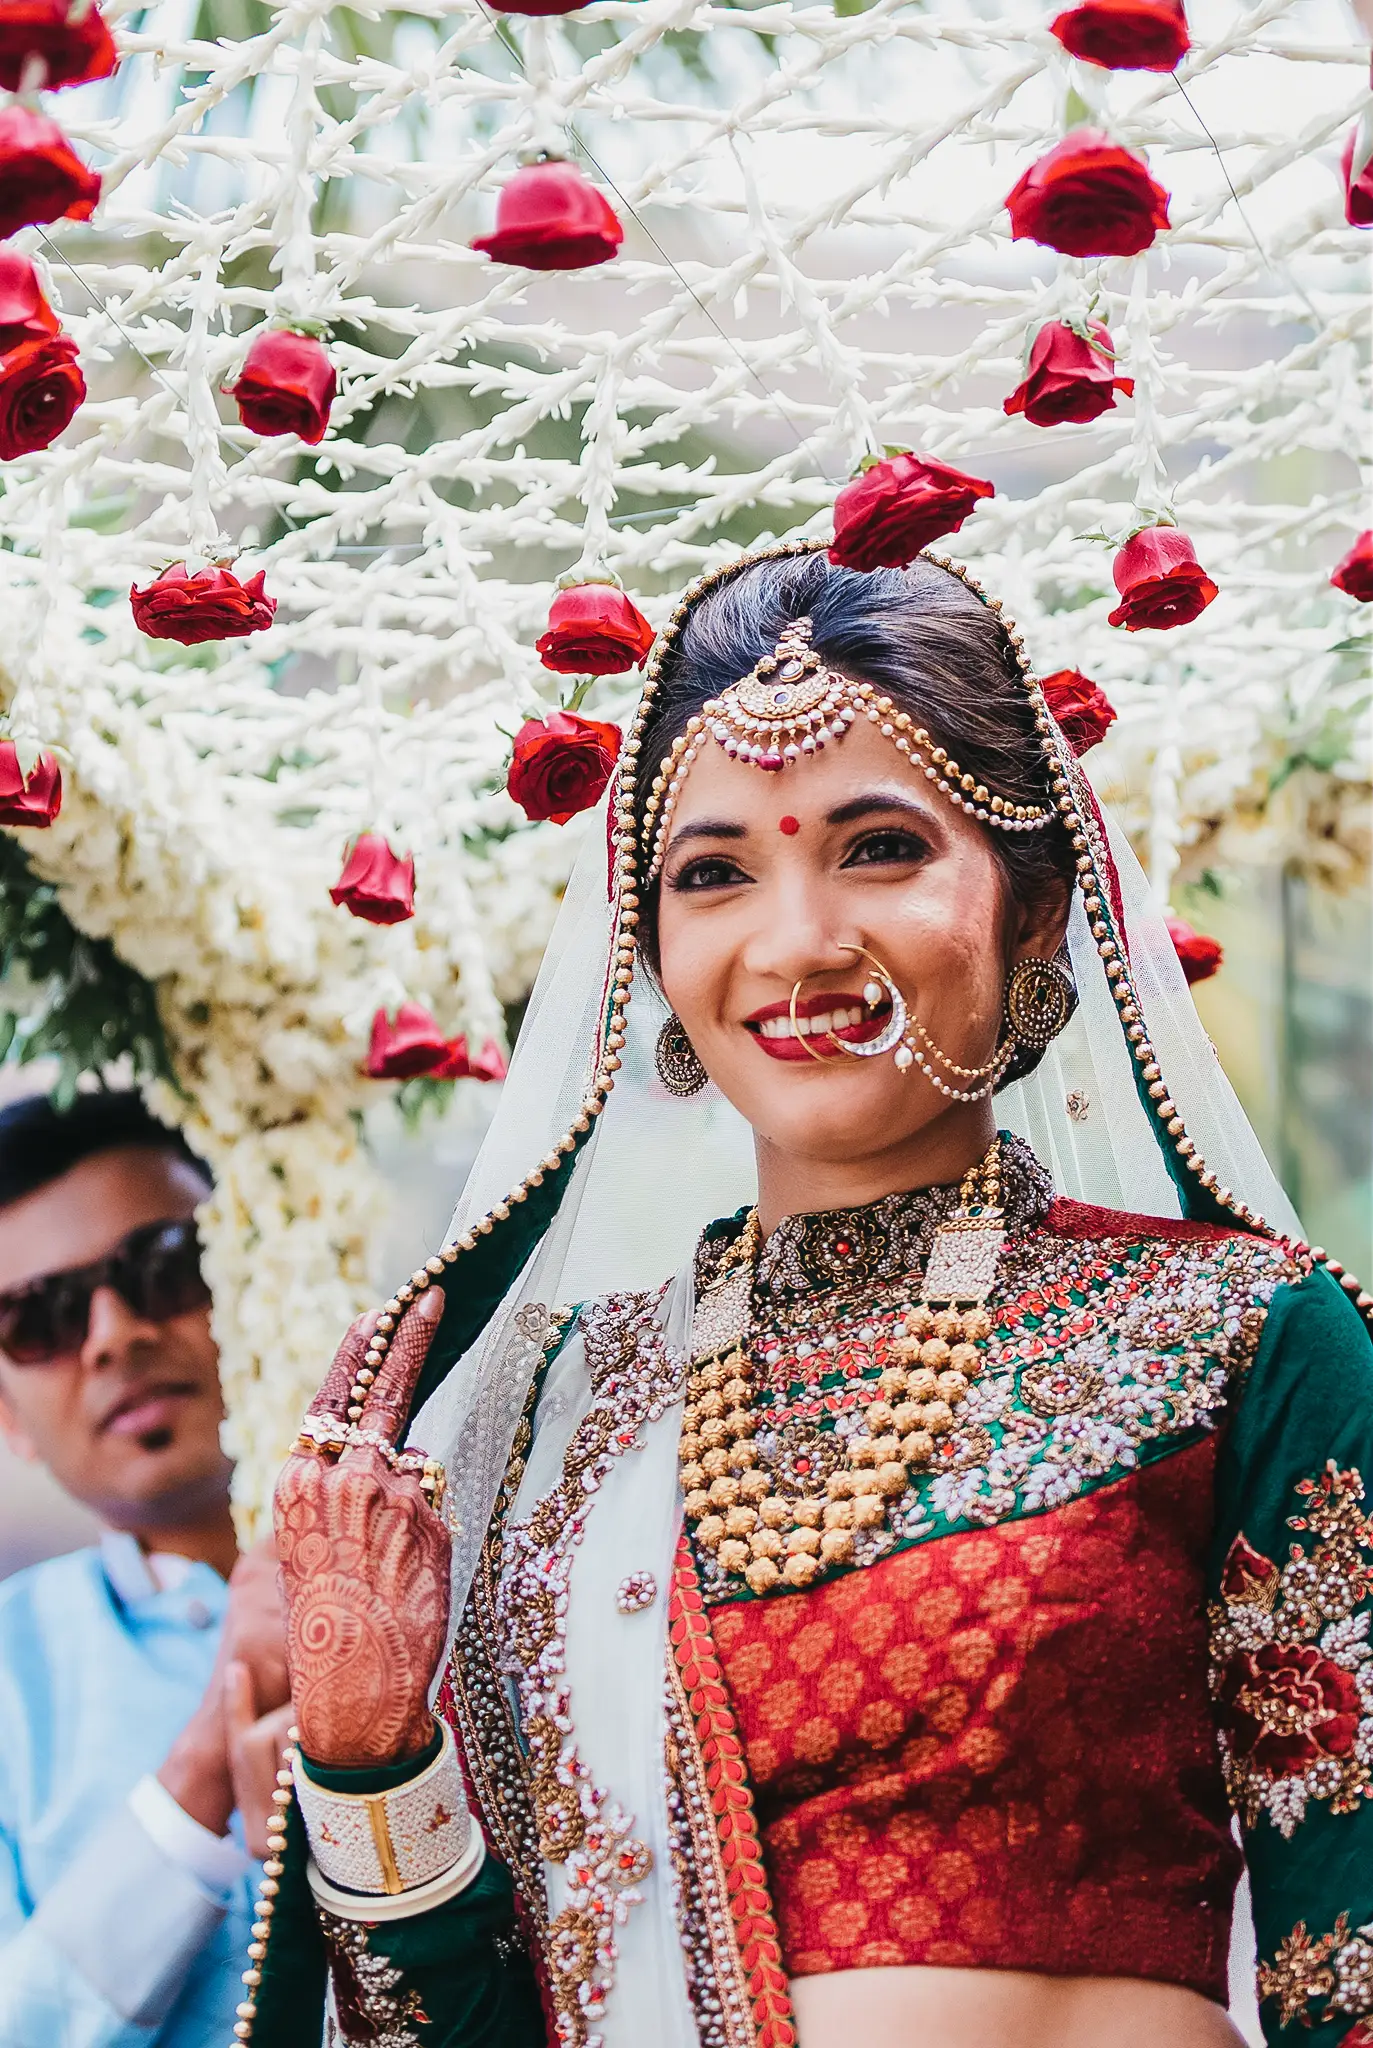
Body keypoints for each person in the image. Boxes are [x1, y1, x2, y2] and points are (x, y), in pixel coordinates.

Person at [253, 544, 1373, 2048]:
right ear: (649, 951)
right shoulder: (544, 1422)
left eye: (877, 848)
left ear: (1034, 906)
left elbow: (1348, 1958)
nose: (793, 943)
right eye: (713, 874)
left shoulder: (1237, 1336)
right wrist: (373, 1759)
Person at [0, 1090, 292, 2048]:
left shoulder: (474, 1544)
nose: (113, 1334)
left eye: (164, 1268)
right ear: (8, 1418)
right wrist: (198, 1777)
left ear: (254, 1273)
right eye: (39, 1319)